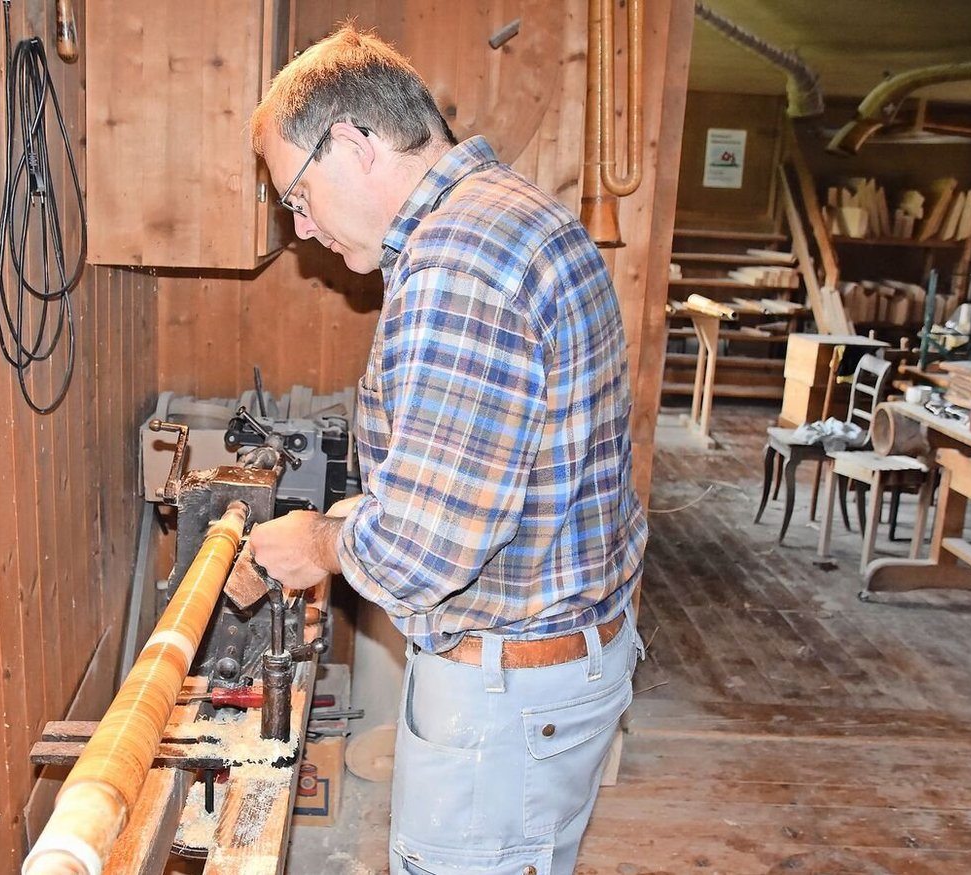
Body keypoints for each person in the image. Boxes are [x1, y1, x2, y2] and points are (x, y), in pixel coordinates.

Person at [246, 24, 648, 875]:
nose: (304, 229)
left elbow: (419, 554)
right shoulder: (515, 213)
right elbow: (490, 479)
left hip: (508, 696)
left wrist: (315, 541)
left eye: (297, 196)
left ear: (352, 142)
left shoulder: (457, 261)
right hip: (562, 664)